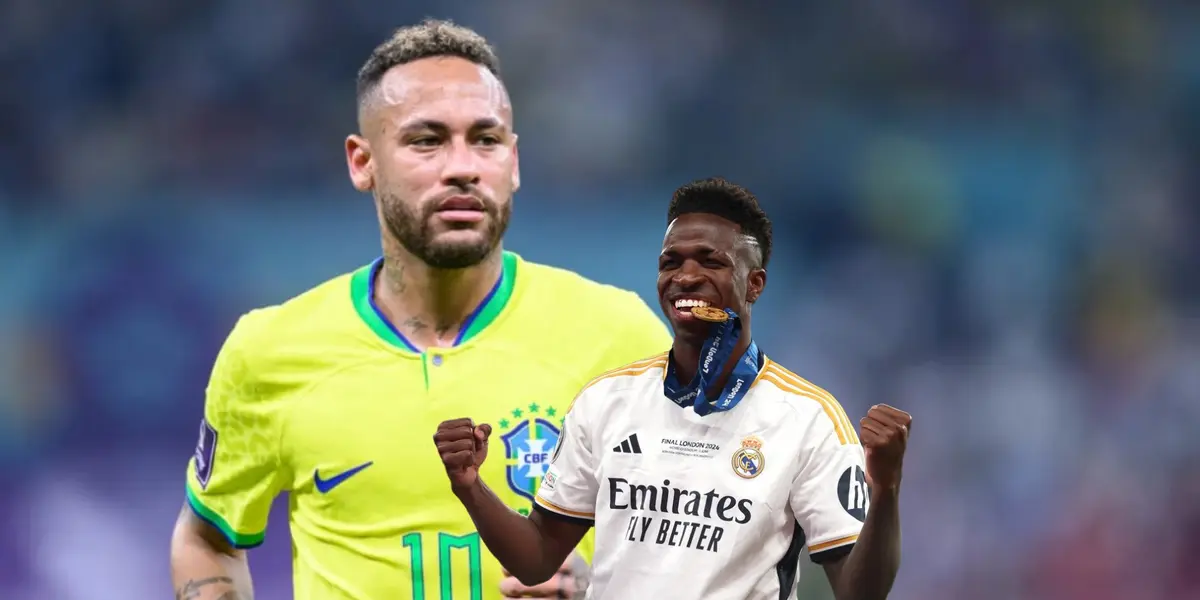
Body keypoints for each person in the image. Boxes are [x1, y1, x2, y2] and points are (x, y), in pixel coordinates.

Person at [169, 19, 671, 600]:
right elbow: (207, 538)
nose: (462, 166)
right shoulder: (269, 353)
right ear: (363, 163)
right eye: (426, 141)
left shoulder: (618, 338)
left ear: (512, 162)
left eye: (485, 140)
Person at [434, 177, 912, 599]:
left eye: (711, 262)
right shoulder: (606, 401)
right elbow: (535, 558)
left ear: (755, 284)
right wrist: (471, 487)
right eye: (671, 261)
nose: (685, 276)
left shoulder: (808, 419)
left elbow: (858, 591)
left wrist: (886, 488)